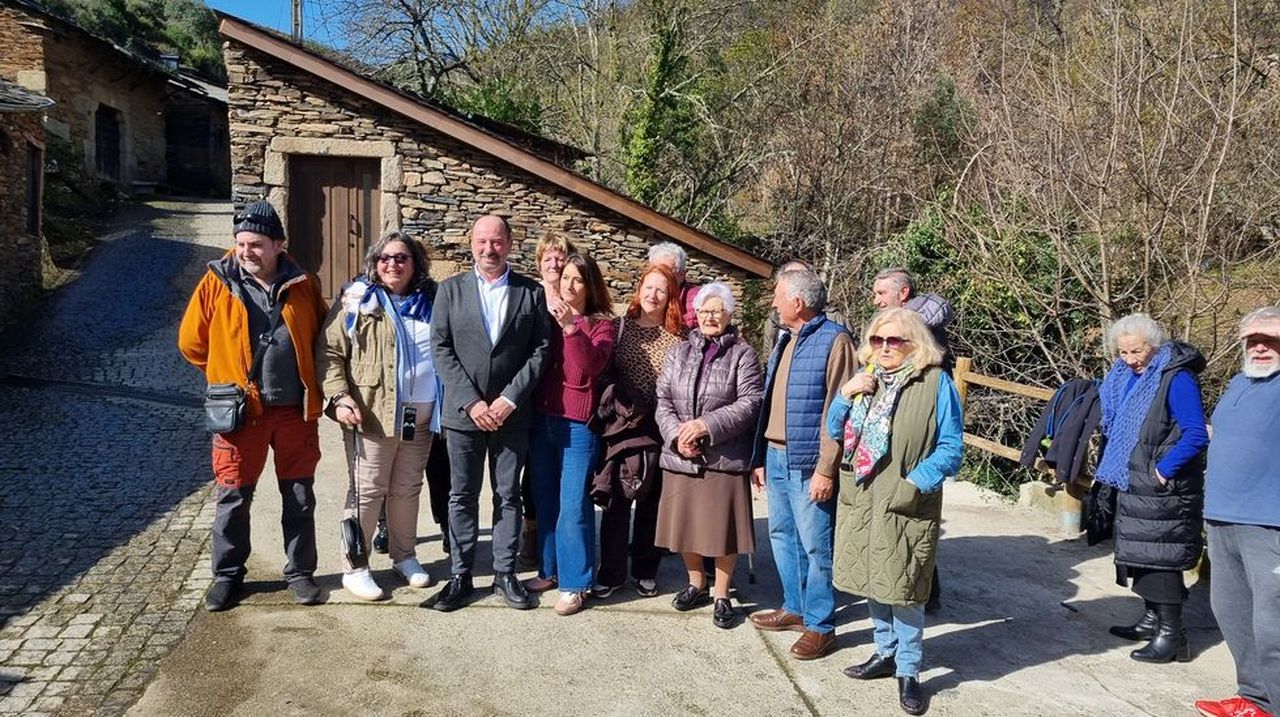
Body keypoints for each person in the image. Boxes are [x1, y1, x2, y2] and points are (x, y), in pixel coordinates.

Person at [178, 200, 328, 612]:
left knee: (299, 495)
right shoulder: (216, 283)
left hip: (295, 411)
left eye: (256, 244)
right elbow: (191, 343)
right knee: (233, 497)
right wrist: (227, 372)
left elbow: (320, 336)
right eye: (241, 243)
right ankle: (228, 576)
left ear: (279, 244)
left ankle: (300, 573)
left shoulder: (304, 283)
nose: (246, 252)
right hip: (241, 414)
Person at [826, 308, 963, 716]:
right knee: (873, 580)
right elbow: (836, 430)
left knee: (904, 591)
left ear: (915, 344)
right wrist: (845, 395)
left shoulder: (936, 383)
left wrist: (913, 483)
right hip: (863, 496)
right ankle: (883, 654)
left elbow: (952, 448)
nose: (885, 348)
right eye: (878, 340)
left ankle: (909, 671)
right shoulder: (865, 380)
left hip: (905, 501)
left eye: (895, 341)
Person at [430, 215, 550, 612]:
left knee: (508, 495)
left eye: (496, 241)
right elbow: (441, 348)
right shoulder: (449, 291)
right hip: (464, 414)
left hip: (512, 415)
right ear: (471, 243)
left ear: (510, 244)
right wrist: (473, 401)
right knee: (460, 495)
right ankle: (460, 575)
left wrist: (509, 399)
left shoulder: (530, 293)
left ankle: (504, 573)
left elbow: (540, 350)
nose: (489, 249)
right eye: (482, 241)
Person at [318, 232, 440, 600]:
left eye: (402, 257)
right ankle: (354, 566)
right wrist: (339, 397)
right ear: (374, 263)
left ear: (415, 263)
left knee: (406, 490)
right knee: (367, 493)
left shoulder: (432, 301)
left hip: (421, 417)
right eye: (385, 258)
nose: (393, 264)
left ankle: (404, 556)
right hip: (371, 414)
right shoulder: (356, 301)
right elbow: (329, 353)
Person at [749, 267, 857, 659]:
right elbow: (772, 401)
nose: (774, 303)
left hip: (809, 462)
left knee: (816, 546)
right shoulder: (785, 338)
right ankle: (794, 608)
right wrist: (759, 456)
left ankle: (821, 625)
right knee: (782, 535)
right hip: (776, 456)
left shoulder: (836, 340)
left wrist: (826, 468)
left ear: (797, 301)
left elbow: (840, 410)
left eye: (778, 295)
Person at [1096, 313, 1209, 663]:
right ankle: (1151, 619)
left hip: (1163, 486)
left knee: (1162, 559)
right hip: (1133, 480)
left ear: (1154, 345)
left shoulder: (1176, 378)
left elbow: (1195, 434)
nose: (1131, 360)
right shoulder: (1121, 377)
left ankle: (1173, 636)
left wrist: (1163, 470)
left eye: (1137, 351)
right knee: (1142, 555)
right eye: (1124, 353)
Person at [654, 282, 763, 628]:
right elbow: (663, 401)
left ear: (730, 315)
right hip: (681, 456)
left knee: (722, 531)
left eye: (718, 310)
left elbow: (751, 403)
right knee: (685, 526)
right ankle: (696, 582)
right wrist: (677, 436)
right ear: (695, 314)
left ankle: (721, 592)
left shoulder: (743, 354)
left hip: (723, 457)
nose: (710, 317)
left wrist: (705, 426)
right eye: (704, 310)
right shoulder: (679, 352)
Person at [1193, 307, 1280, 717]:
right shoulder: (1237, 383)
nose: (1261, 346)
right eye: (1253, 339)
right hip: (1223, 517)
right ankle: (1255, 700)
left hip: (1271, 525)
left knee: (1274, 628)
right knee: (1232, 613)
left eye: (1272, 339)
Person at [525, 253, 616, 616]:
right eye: (566, 278)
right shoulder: (545, 318)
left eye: (579, 280)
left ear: (590, 286)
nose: (570, 286)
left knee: (573, 505)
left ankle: (577, 583)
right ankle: (549, 570)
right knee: (544, 499)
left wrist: (571, 328)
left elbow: (588, 368)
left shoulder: (601, 326)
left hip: (578, 426)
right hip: (542, 419)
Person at [592, 263, 685, 599]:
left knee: (651, 503)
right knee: (616, 500)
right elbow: (602, 374)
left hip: (659, 428)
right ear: (639, 289)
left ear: (670, 296)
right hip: (621, 426)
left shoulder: (680, 337)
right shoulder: (619, 328)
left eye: (661, 289)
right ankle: (612, 572)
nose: (653, 294)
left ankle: (646, 570)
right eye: (648, 287)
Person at [872, 266, 952, 611]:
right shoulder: (894, 329)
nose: (876, 301)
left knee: (915, 522)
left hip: (921, 430)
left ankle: (922, 593)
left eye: (881, 294)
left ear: (902, 294)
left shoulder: (921, 326)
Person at [517, 233, 580, 569]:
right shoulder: (529, 294)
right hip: (530, 393)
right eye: (549, 258)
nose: (555, 264)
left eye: (561, 257)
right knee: (531, 472)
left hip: (562, 395)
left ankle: (559, 543)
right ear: (539, 261)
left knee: (559, 476)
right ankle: (532, 532)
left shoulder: (575, 296)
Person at [872, 267, 954, 372]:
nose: (876, 301)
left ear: (903, 292)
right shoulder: (890, 323)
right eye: (875, 294)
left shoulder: (922, 328)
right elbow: (875, 363)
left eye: (881, 293)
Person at [648, 242, 701, 330]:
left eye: (668, 272)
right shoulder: (646, 293)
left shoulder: (697, 301)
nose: (661, 277)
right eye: (657, 271)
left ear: (682, 275)